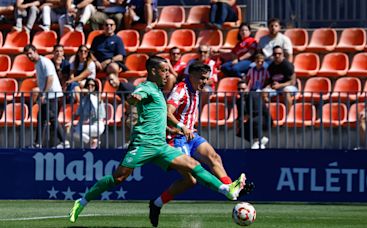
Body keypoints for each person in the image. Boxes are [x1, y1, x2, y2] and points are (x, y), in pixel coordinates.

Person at [69, 56, 247, 224]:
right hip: (143, 145)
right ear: (153, 71)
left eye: (168, 71)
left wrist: (181, 127)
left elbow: (166, 116)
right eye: (164, 71)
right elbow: (135, 96)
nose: (167, 74)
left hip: (161, 146)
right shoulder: (146, 88)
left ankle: (227, 190)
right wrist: (133, 98)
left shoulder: (159, 92)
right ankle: (83, 201)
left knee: (193, 165)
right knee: (119, 178)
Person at [148, 62, 239, 227]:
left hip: (191, 136)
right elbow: (167, 112)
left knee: (214, 157)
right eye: (202, 78)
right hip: (175, 138)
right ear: (191, 75)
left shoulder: (195, 90)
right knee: (191, 179)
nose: (205, 82)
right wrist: (180, 127)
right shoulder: (180, 89)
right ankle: (156, 203)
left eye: (207, 79)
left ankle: (230, 188)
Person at [24, 44, 70, 149]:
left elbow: (50, 78)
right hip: (47, 94)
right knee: (41, 118)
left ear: (36, 51)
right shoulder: (37, 63)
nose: (29, 56)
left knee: (52, 118)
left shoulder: (44, 62)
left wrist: (44, 93)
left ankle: (64, 141)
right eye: (27, 55)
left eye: (30, 53)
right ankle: (38, 143)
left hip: (52, 94)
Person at [71, 78, 106, 149]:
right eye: (88, 85)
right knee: (74, 131)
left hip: (98, 125)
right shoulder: (84, 99)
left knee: (78, 130)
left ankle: (92, 141)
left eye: (92, 85)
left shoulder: (97, 97)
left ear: (95, 87)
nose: (90, 87)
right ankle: (92, 141)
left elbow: (95, 102)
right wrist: (71, 122)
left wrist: (86, 91)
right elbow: (78, 113)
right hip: (89, 124)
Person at [237, 80, 270, 149]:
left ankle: (258, 140)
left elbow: (257, 111)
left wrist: (247, 116)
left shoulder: (253, 96)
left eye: (243, 89)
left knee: (254, 121)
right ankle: (260, 140)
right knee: (241, 128)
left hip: (264, 118)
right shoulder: (239, 100)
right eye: (239, 89)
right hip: (251, 119)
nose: (241, 91)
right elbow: (240, 113)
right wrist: (239, 119)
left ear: (248, 88)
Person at [263, 45, 297, 113]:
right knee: (263, 92)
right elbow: (269, 80)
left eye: (279, 53)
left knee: (286, 91)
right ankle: (268, 113)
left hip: (289, 87)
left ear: (283, 54)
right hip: (276, 88)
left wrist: (280, 85)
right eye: (275, 54)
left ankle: (288, 115)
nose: (277, 55)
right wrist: (269, 85)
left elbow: (292, 82)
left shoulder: (287, 65)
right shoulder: (271, 66)